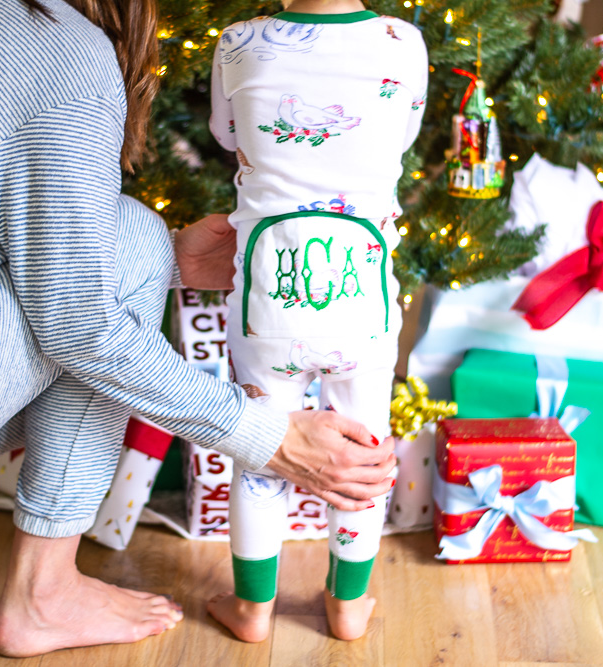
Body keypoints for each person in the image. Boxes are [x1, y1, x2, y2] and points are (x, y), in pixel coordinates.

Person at [0, 0, 398, 658]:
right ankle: (43, 595)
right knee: (129, 245)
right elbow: (80, 325)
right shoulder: (59, 48)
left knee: (135, 248)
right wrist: (267, 435)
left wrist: (170, 258)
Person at [205, 0, 428, 642]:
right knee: (364, 450)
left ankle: (252, 610)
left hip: (268, 296)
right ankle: (349, 604)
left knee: (260, 451)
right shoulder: (401, 41)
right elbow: (403, 133)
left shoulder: (238, 41)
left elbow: (228, 134)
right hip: (362, 302)